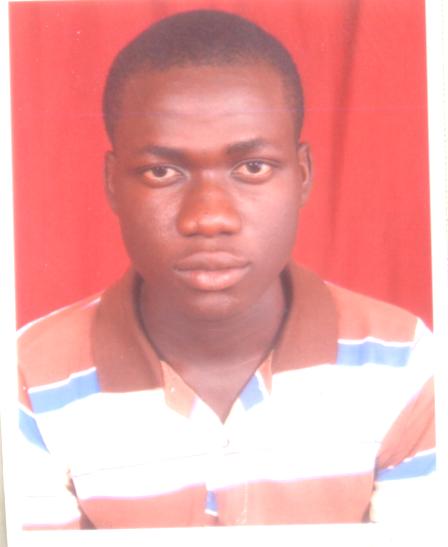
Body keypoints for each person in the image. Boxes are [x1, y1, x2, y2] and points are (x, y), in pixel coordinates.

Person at [18, 9, 435, 529]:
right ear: (111, 185)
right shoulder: (26, 378)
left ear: (302, 176)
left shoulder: (404, 362)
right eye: (161, 171)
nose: (208, 217)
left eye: (252, 167)